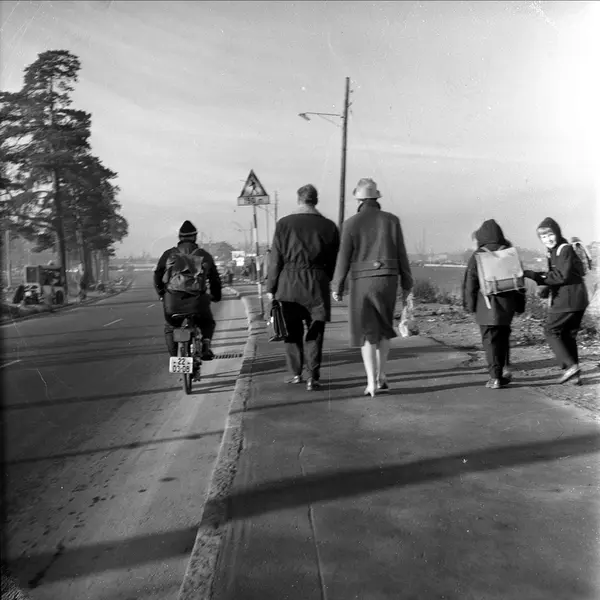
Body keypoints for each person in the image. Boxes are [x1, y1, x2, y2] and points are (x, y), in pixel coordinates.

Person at [331, 178, 413, 397]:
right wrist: (407, 283)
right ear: (376, 198)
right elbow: (402, 254)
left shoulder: (350, 223)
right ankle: (382, 375)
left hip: (362, 282)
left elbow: (343, 258)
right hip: (388, 279)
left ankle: (371, 383)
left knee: (367, 331)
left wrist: (337, 285)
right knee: (384, 328)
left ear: (359, 200)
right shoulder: (392, 220)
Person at [267, 184, 340, 391]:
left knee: (291, 331)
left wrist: (271, 286)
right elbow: (334, 260)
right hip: (317, 283)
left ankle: (295, 373)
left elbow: (275, 259)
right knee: (315, 331)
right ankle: (312, 377)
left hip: (288, 283)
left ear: (299, 200)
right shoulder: (329, 226)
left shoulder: (284, 224)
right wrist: (328, 279)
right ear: (315, 201)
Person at [523, 217, 589, 385]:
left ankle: (570, 367)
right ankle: (574, 375)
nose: (548, 239)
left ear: (557, 233)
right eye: (543, 237)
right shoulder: (554, 251)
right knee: (568, 335)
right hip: (578, 298)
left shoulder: (563, 249)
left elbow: (561, 276)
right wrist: (546, 286)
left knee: (550, 330)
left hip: (568, 299)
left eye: (550, 234)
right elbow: (562, 275)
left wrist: (536, 276)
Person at [462, 219, 526, 389]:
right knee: (503, 339)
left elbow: (470, 284)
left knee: (490, 342)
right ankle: (503, 370)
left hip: (486, 307)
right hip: (507, 307)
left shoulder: (478, 255)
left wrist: (469, 306)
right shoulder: (509, 253)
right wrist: (520, 305)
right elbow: (519, 282)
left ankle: (495, 377)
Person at [154, 220, 222, 363]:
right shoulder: (204, 255)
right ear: (195, 237)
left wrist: (161, 294)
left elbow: (158, 275)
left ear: (180, 237)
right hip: (198, 303)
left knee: (170, 327)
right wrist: (216, 296)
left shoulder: (169, 254)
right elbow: (215, 279)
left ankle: (175, 358)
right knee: (207, 323)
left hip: (172, 303)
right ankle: (206, 344)